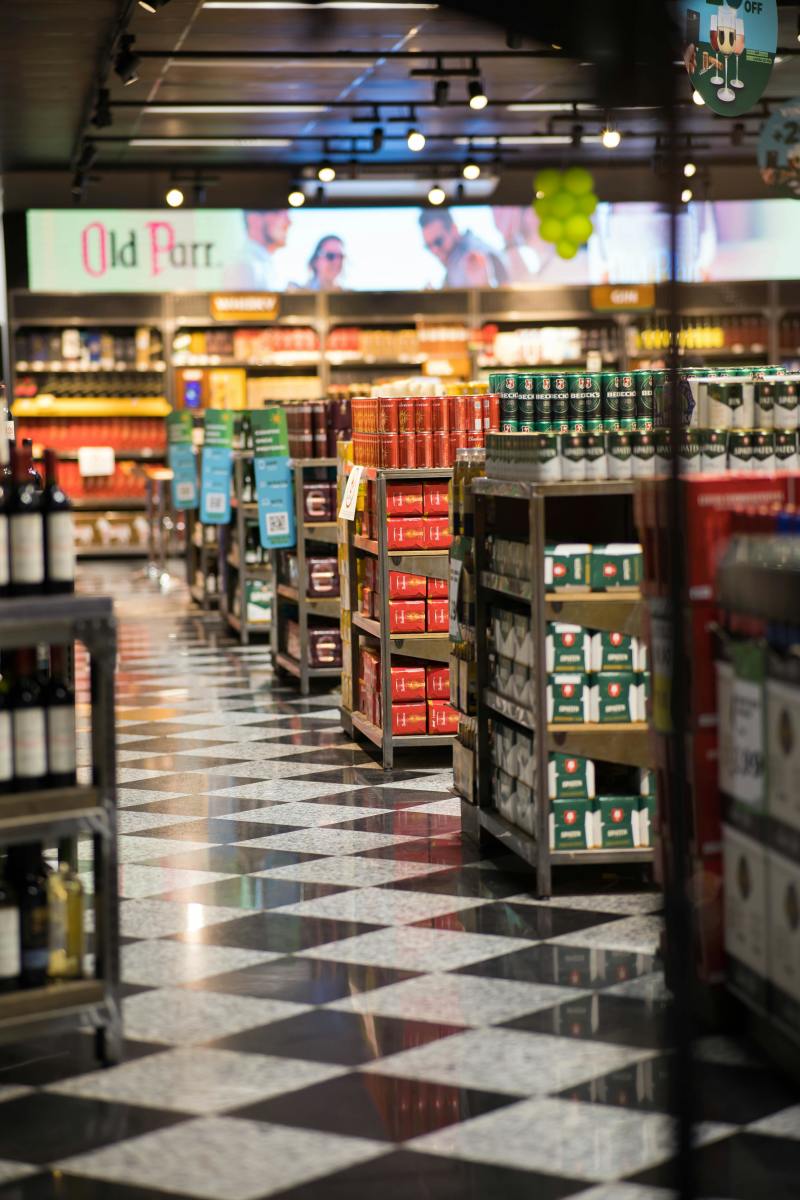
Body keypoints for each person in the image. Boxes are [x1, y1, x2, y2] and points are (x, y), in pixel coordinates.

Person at [419, 209, 508, 288]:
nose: (434, 250)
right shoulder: (451, 267)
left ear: (453, 230)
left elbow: (504, 286)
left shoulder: (475, 253)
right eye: (428, 246)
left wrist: (484, 284)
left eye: (438, 242)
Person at [223, 209, 291, 289]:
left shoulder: (263, 262)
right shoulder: (243, 266)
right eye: (278, 214)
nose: (289, 222)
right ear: (254, 219)